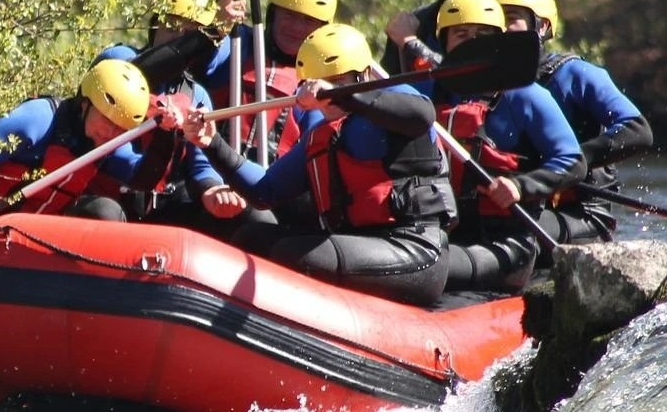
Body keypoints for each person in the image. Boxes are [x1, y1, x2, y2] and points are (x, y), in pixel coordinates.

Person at [162, 23, 456, 307]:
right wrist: (212, 143)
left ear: (364, 74)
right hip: (359, 245)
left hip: (414, 250)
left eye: (338, 82)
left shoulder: (397, 99)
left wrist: (347, 95)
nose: (328, 96)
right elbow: (265, 191)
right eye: (319, 85)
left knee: (288, 252)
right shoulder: (323, 135)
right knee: (251, 237)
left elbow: (421, 115)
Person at [430, 0, 583, 295]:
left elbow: (572, 162)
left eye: (483, 35)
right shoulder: (426, 91)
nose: (473, 43)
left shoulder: (525, 95)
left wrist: (519, 186)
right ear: (444, 43)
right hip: (443, 236)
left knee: (424, 264)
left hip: (507, 245)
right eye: (461, 35)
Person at [490, 0, 654, 248]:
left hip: (581, 212)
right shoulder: (485, 85)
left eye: (512, 18)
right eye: (497, 19)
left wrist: (570, 163)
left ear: (542, 26)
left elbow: (638, 130)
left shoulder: (575, 74)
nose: (503, 28)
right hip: (519, 201)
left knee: (510, 229)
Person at [100, 0, 257, 235]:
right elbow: (138, 74)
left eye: (189, 33)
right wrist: (211, 31)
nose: (178, 38)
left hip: (161, 202)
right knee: (105, 212)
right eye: (172, 27)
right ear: (154, 27)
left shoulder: (196, 94)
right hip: (108, 196)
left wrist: (211, 190)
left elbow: (200, 164)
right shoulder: (118, 59)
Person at [0, 59, 151, 236]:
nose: (111, 134)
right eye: (107, 121)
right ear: (85, 104)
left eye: (120, 129)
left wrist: (169, 132)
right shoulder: (39, 118)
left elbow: (144, 178)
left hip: (29, 240)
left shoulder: (108, 145)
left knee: (105, 212)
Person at [200, 0, 340, 156]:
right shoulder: (240, 42)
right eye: (289, 15)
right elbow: (206, 60)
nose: (297, 28)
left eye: (308, 21)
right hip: (213, 171)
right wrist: (222, 18)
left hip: (272, 180)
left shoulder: (325, 77)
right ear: (272, 15)